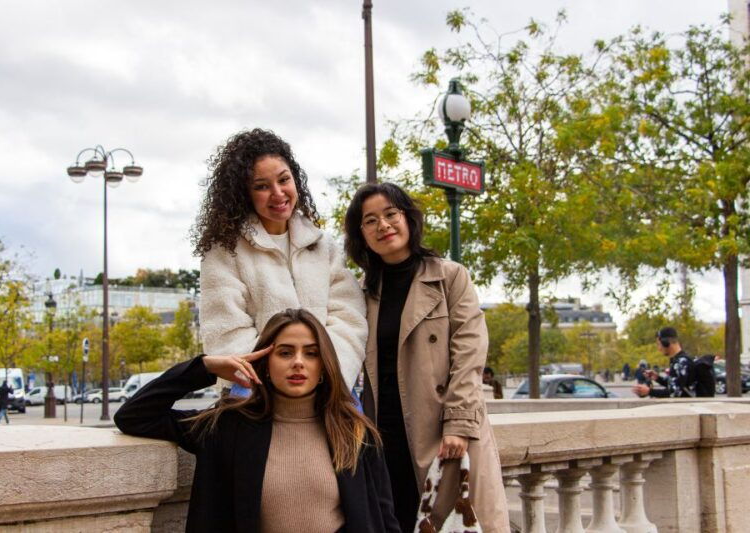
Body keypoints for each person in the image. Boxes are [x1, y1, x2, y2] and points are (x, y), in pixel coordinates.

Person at [114, 309, 399, 533]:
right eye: (285, 352)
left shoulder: (356, 431)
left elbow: (384, 517)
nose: (298, 362)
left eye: (311, 353)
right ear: (264, 362)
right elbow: (135, 415)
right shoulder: (227, 425)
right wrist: (206, 367)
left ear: (323, 366)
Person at [344, 182, 510, 533]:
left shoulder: (450, 277)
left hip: (443, 431)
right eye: (370, 220)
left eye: (391, 214)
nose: (383, 225)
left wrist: (459, 424)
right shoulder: (360, 292)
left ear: (408, 218)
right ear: (361, 234)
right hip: (383, 436)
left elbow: (469, 353)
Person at [192, 128, 367, 393]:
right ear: (244, 195)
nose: (278, 193)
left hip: (328, 388)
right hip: (258, 392)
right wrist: (280, 381)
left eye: (283, 180)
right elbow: (226, 331)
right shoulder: (224, 252)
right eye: (261, 186)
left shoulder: (323, 246)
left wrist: (325, 372)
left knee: (357, 434)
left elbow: (348, 318)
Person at [633, 327, 695, 398]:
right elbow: (675, 385)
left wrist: (649, 391)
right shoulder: (678, 360)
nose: (659, 348)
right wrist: (657, 378)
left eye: (659, 344)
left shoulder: (681, 362)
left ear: (666, 343)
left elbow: (674, 393)